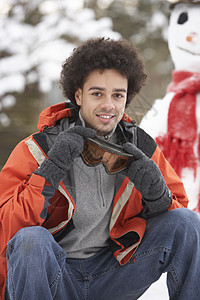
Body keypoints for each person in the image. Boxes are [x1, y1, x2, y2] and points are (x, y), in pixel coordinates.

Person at [0, 37, 199, 300]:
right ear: (79, 95)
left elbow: (180, 227)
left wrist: (158, 198)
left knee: (187, 222)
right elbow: (7, 231)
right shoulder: (38, 148)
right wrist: (49, 172)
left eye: (118, 95)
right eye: (97, 93)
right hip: (56, 278)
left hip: (114, 275)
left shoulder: (141, 147)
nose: (108, 105)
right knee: (31, 240)